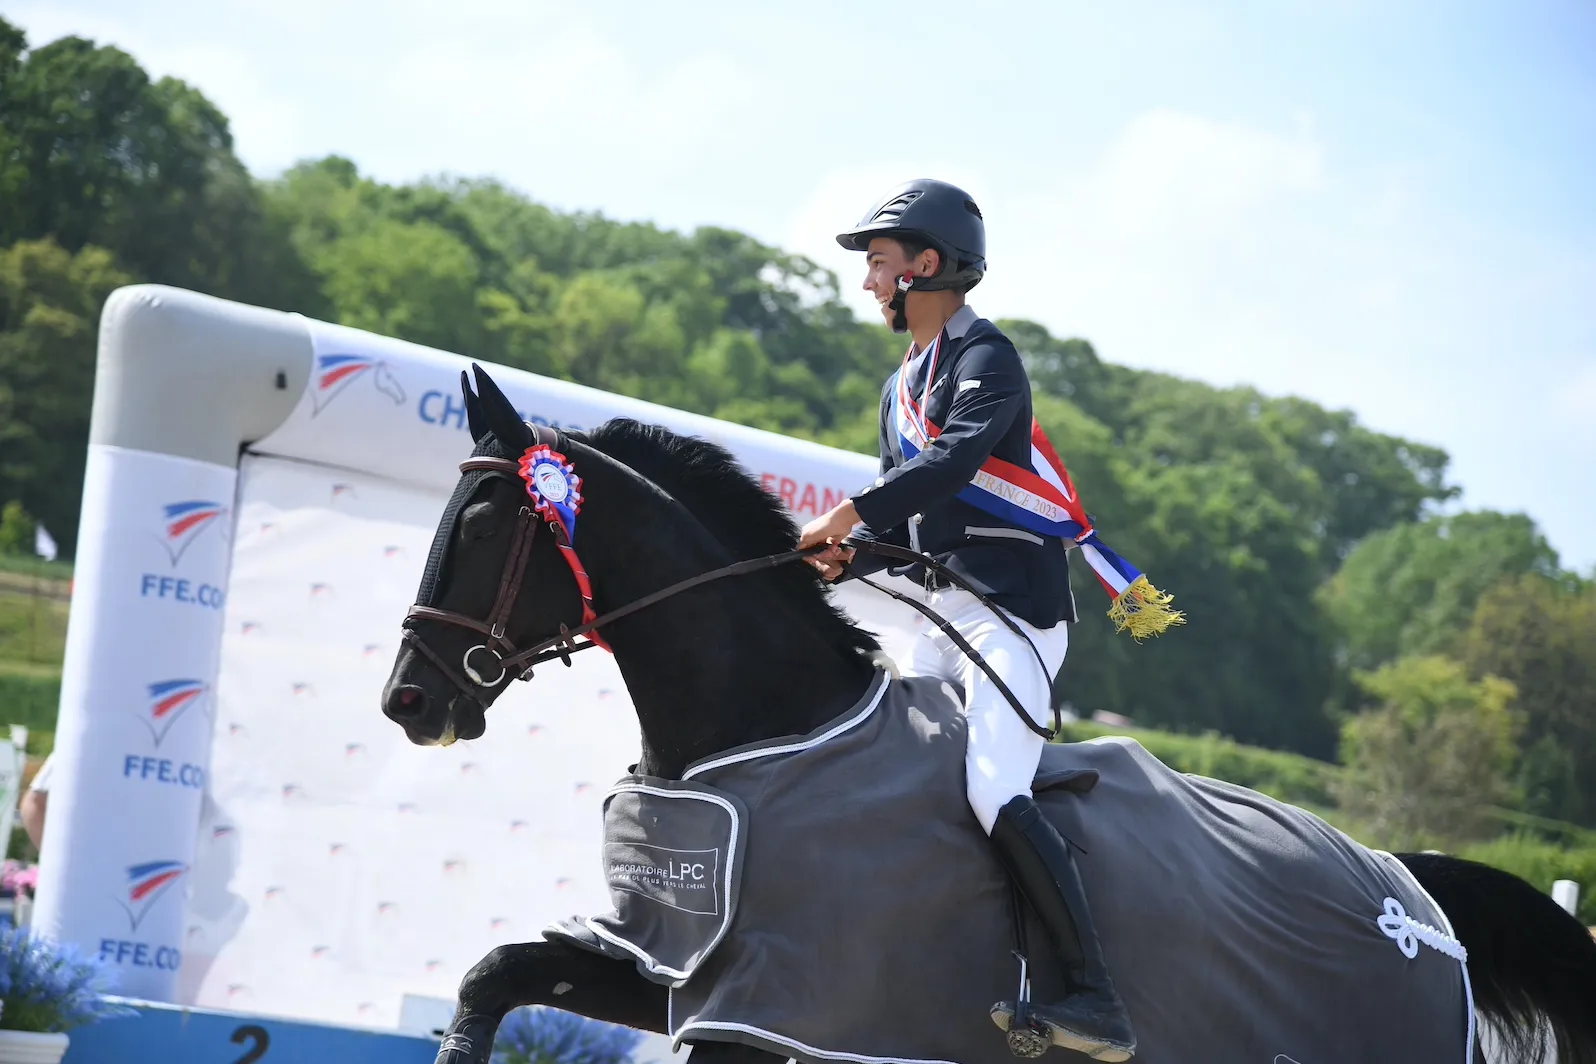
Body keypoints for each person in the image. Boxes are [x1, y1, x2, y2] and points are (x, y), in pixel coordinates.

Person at [798, 179, 1167, 1061]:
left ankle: (1095, 997)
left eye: (879, 265)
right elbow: (920, 528)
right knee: (877, 757)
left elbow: (956, 464)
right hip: (939, 615)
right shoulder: (897, 390)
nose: (867, 284)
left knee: (993, 786)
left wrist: (849, 518)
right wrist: (857, 556)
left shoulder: (987, 359)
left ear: (926, 266)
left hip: (1013, 617)